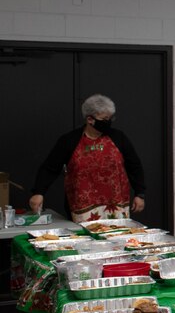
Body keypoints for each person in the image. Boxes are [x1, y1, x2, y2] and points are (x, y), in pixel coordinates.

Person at [29, 94, 146, 223]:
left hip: (116, 205)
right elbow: (50, 168)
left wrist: (140, 193)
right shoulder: (69, 140)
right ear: (90, 119)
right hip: (82, 208)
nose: (109, 122)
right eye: (104, 119)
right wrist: (38, 192)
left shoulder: (118, 137)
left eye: (110, 118)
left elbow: (134, 165)